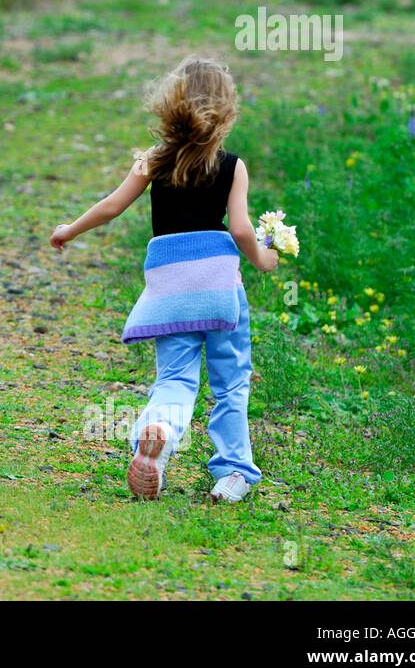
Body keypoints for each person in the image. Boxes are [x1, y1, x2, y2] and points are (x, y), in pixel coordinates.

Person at [49, 57, 277, 502]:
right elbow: (242, 230)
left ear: (171, 105)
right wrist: (264, 260)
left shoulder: (153, 160)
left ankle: (158, 437)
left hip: (171, 289)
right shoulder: (233, 166)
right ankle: (233, 474)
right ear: (226, 110)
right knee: (231, 380)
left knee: (175, 378)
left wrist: (69, 230)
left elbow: (112, 207)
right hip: (219, 290)